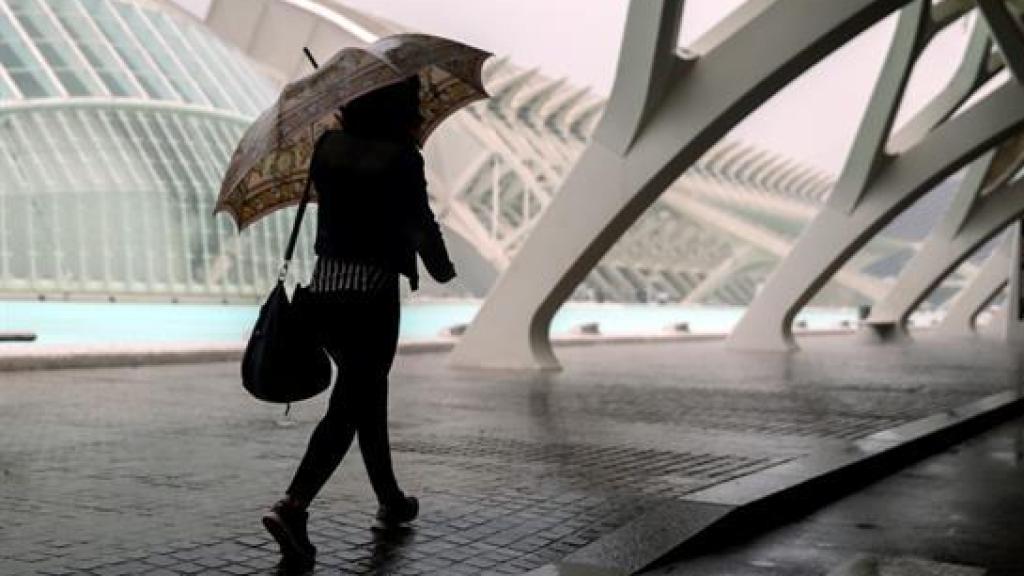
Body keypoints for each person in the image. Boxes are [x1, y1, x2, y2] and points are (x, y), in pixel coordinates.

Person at [261, 75, 457, 570]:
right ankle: (294, 505)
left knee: (365, 393)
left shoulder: (327, 147)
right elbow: (419, 221)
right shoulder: (403, 157)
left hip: (324, 291)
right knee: (350, 405)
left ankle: (390, 497)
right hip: (371, 295)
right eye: (413, 109)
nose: (418, 118)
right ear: (396, 112)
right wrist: (441, 267)